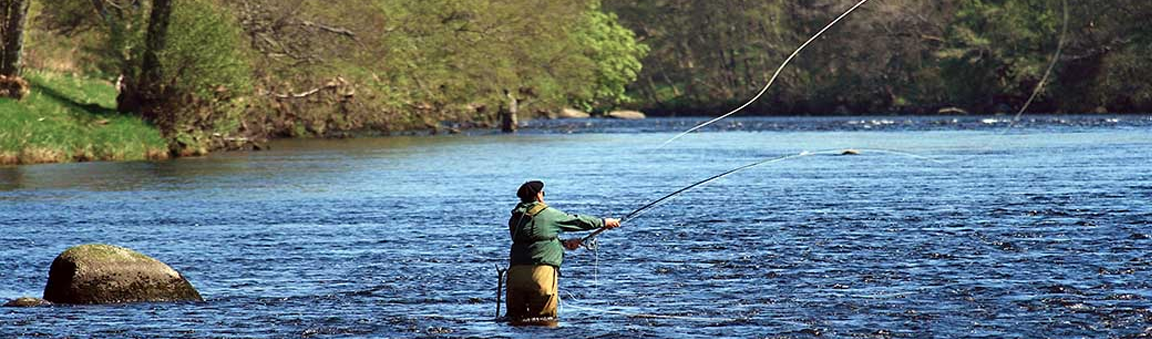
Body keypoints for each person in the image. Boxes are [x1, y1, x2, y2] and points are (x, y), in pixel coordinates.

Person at [505, 180, 620, 323]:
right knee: (545, 321)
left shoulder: (515, 218)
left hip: (515, 275)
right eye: (543, 193)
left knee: (516, 321)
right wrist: (604, 222)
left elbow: (534, 240)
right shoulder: (547, 214)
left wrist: (563, 244)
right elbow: (576, 221)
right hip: (541, 274)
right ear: (539, 196)